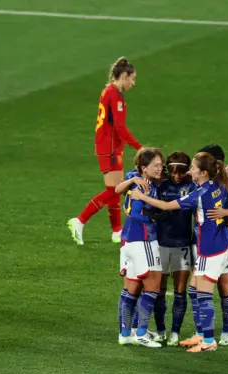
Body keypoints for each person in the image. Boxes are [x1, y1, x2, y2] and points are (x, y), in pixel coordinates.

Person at [130, 152, 228, 352]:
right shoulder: (218, 185)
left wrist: (141, 196)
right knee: (193, 290)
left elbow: (167, 205)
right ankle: (201, 335)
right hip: (219, 245)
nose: (189, 171)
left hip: (209, 250)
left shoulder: (198, 195)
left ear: (203, 172)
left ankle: (208, 341)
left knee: (203, 295)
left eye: (193, 168)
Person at [68, 57, 142, 246]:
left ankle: (117, 231)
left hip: (112, 147)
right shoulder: (113, 95)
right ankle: (80, 220)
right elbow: (119, 127)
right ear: (124, 76)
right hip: (108, 148)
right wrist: (139, 147)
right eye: (132, 79)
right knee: (113, 190)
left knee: (116, 189)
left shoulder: (112, 92)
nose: (133, 83)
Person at [117, 148, 164, 348]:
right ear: (144, 168)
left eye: (161, 165)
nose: (160, 168)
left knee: (131, 288)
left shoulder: (136, 177)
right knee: (153, 285)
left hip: (129, 239)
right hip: (142, 239)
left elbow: (119, 189)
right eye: (156, 165)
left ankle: (125, 333)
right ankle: (142, 334)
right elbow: (135, 212)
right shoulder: (143, 186)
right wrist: (153, 217)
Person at [199, 144, 228, 346]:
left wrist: (225, 213)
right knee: (200, 286)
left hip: (224, 240)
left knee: (223, 285)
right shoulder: (200, 183)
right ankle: (202, 331)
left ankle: (227, 331)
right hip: (203, 240)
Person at [154, 151, 197, 346]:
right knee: (159, 291)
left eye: (180, 172)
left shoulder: (192, 186)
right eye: (172, 171)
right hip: (160, 244)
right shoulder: (160, 184)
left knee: (180, 292)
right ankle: (161, 329)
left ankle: (175, 332)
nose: (176, 176)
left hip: (182, 244)